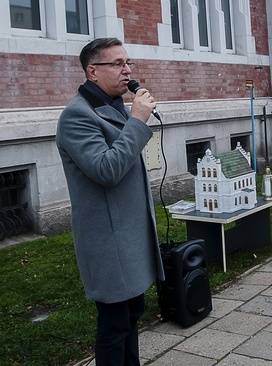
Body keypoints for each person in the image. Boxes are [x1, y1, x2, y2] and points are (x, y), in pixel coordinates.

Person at [56, 38, 165, 365]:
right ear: (92, 71)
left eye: (127, 62)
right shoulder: (77, 116)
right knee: (115, 325)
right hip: (108, 240)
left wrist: (133, 119)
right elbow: (106, 170)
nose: (127, 70)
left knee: (132, 314)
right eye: (117, 64)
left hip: (129, 235)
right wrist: (137, 121)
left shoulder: (114, 105)